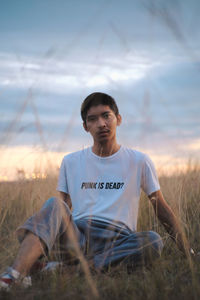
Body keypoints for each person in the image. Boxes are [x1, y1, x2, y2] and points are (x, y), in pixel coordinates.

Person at [0, 92, 193, 290]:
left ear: (118, 119)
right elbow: (61, 210)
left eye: (106, 116)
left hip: (119, 241)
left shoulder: (139, 161)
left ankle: (66, 270)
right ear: (86, 127)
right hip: (79, 239)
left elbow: (161, 208)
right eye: (93, 119)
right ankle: (13, 276)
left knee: (152, 241)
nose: (101, 123)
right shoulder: (71, 161)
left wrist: (187, 251)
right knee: (54, 204)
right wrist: (42, 239)